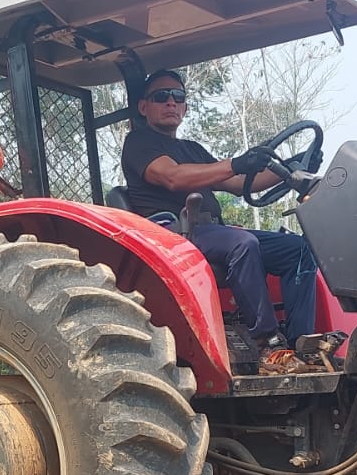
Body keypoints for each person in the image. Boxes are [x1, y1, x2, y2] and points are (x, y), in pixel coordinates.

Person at [120, 68, 318, 351]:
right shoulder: (139, 142)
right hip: (172, 236)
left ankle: (303, 345)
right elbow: (172, 176)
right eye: (161, 96)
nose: (171, 103)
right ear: (143, 106)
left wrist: (294, 166)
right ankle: (268, 341)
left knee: (297, 249)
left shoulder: (193, 149)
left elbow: (240, 183)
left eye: (178, 96)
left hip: (212, 233)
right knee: (242, 243)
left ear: (185, 107)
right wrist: (235, 163)